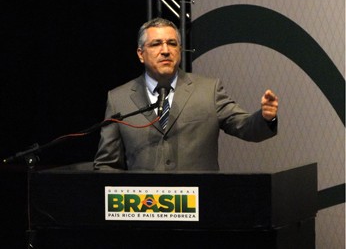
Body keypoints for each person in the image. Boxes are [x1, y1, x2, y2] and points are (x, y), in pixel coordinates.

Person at [94, 17, 278, 171]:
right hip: (145, 207)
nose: (165, 50)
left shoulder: (209, 90)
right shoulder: (119, 99)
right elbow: (107, 165)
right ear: (141, 54)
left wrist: (265, 118)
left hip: (199, 204)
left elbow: (245, 127)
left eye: (172, 44)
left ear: (179, 51)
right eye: (156, 44)